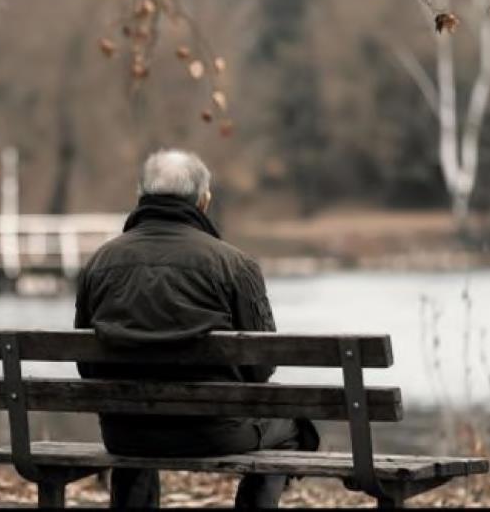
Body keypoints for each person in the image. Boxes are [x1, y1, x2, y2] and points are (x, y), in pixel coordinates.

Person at [75, 149, 319, 508]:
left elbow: (87, 364)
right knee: (295, 426)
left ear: (140, 196)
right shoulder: (234, 265)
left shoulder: (99, 263)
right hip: (215, 432)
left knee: (136, 408)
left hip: (125, 433)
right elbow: (261, 366)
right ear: (203, 201)